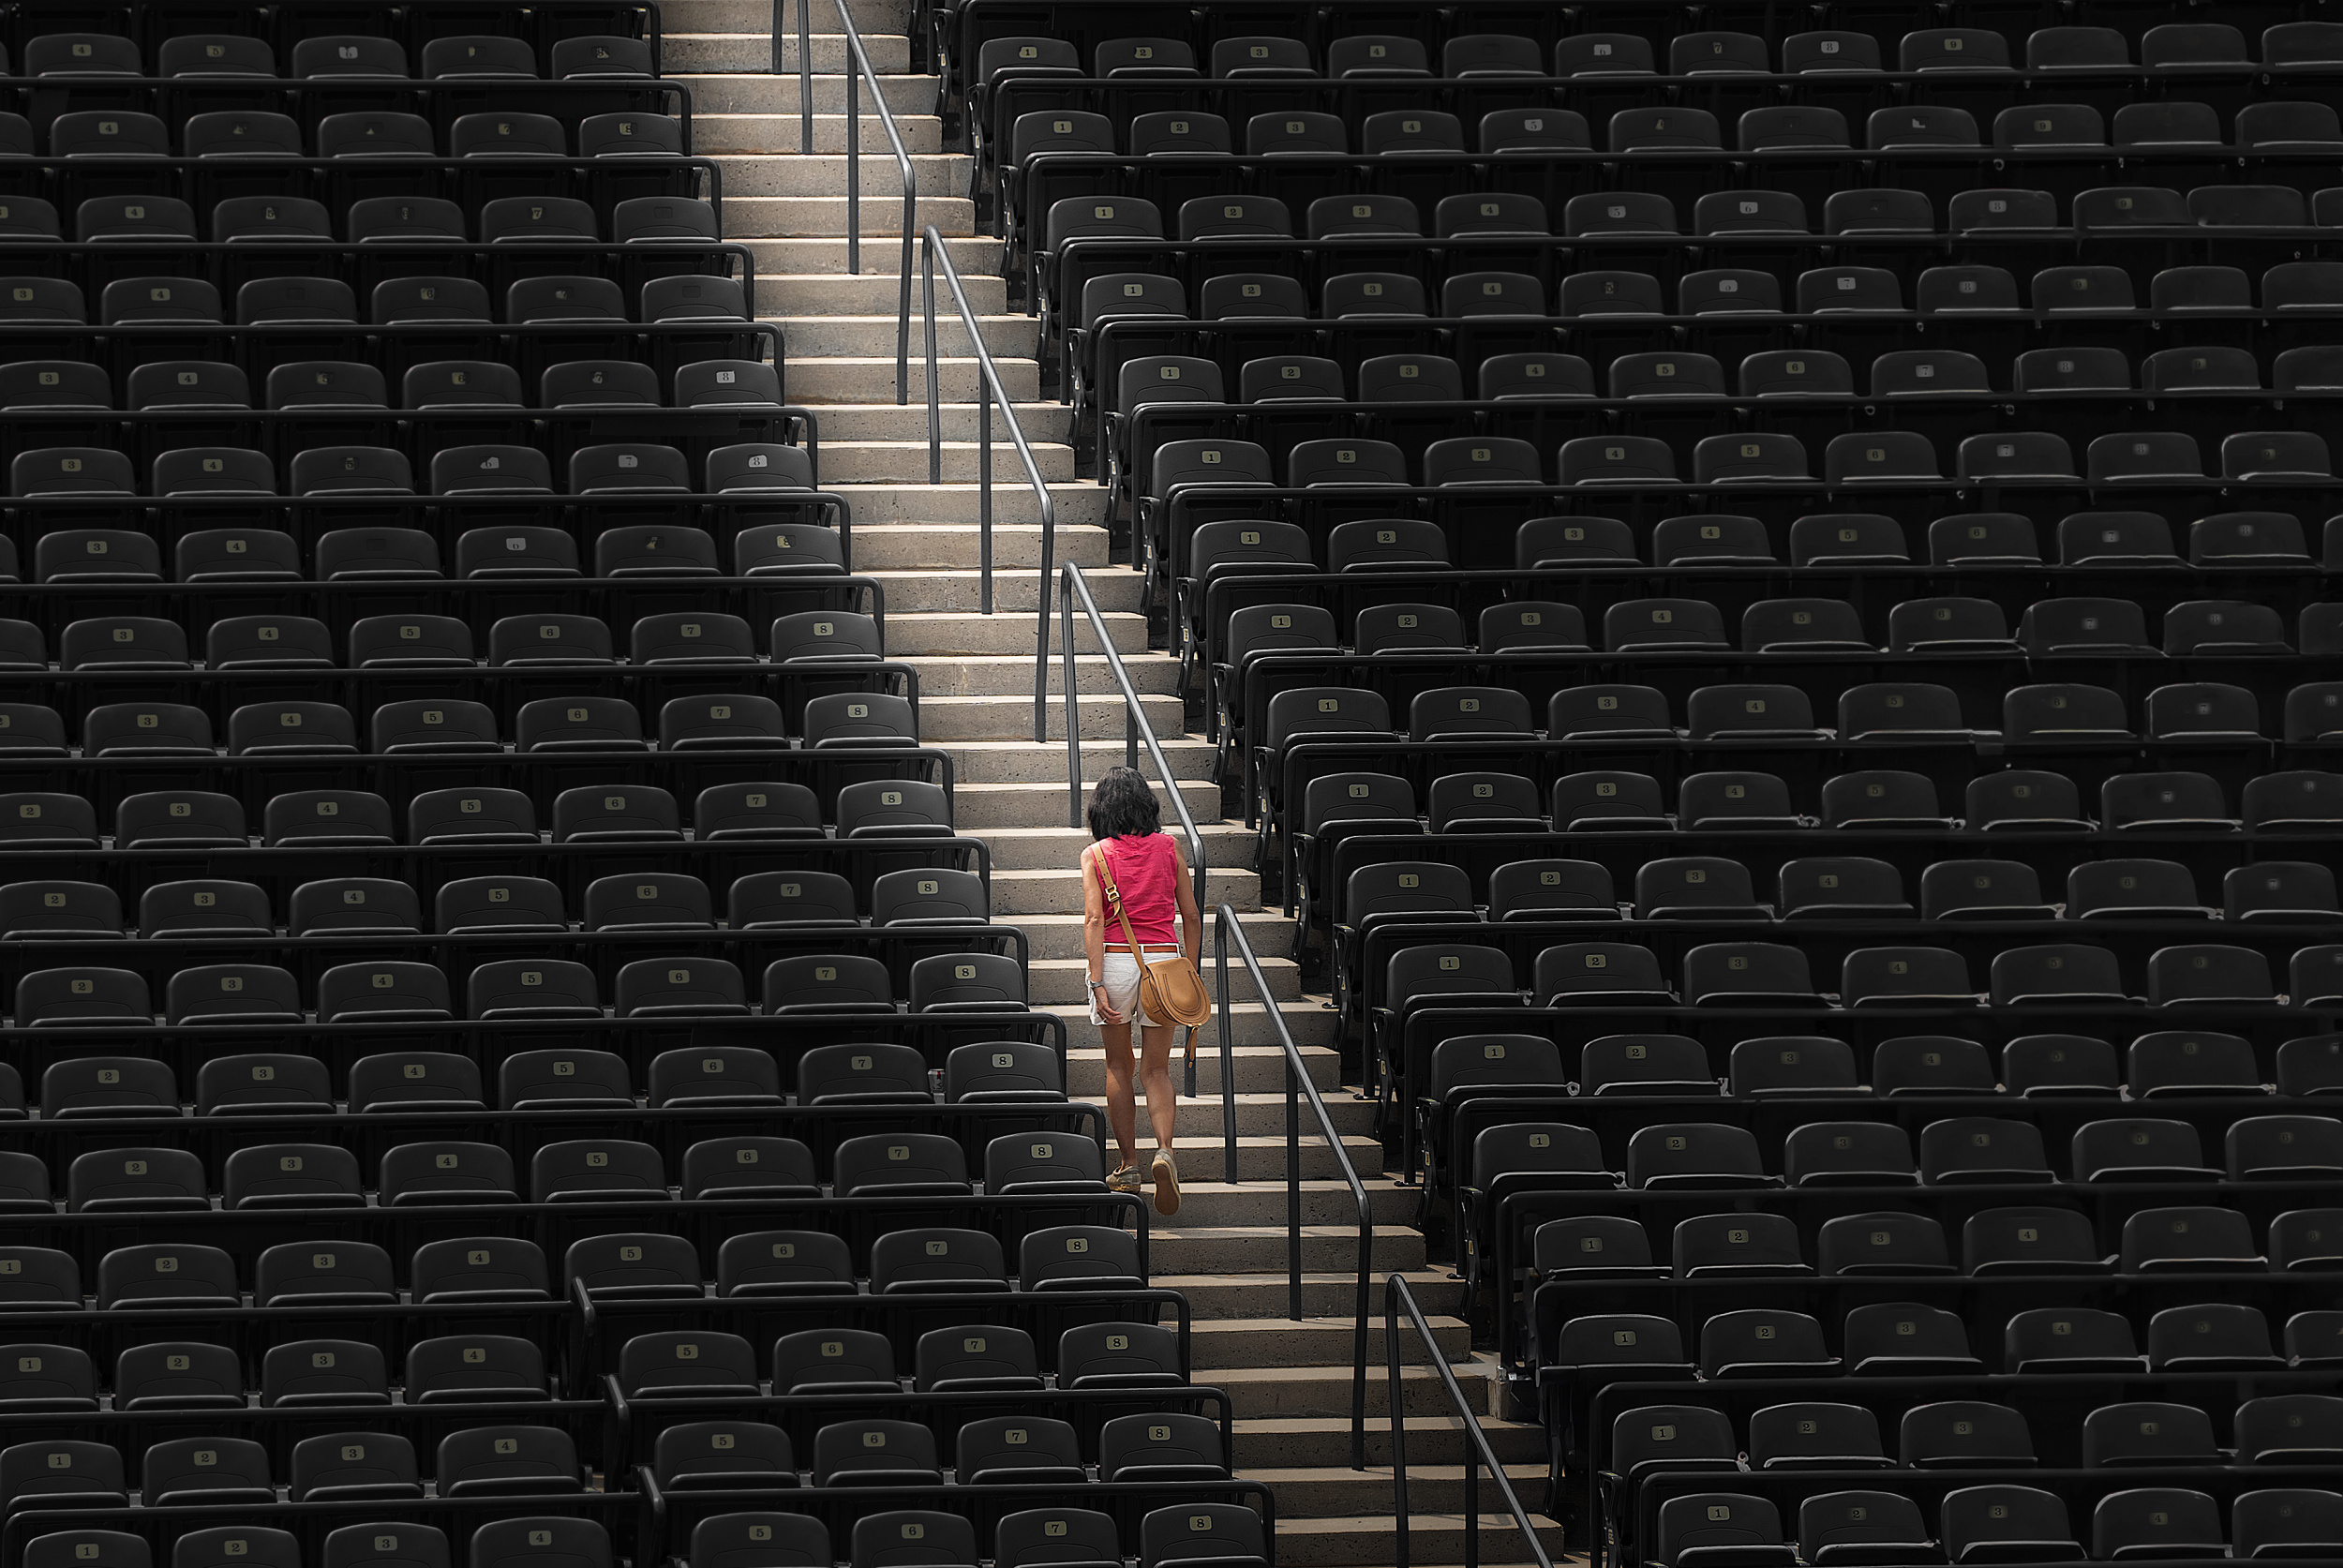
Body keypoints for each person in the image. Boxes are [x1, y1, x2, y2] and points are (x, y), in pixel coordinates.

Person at [1080, 766, 1201, 1215]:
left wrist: (1097, 982)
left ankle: (1129, 1164)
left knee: (1119, 1066)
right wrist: (1190, 970)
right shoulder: (1170, 848)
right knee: (1157, 1070)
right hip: (1165, 964)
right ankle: (1164, 1150)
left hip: (1115, 960)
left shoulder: (1095, 854)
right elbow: (1191, 915)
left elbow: (1094, 919)